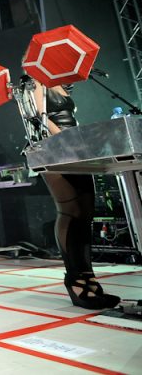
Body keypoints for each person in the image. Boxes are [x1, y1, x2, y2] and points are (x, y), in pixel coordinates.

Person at [30, 79, 120, 310]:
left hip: (76, 147)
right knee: (71, 211)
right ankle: (75, 281)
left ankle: (89, 278)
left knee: (86, 212)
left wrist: (79, 141)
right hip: (54, 147)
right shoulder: (35, 80)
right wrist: (63, 139)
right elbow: (39, 116)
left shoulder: (62, 83)